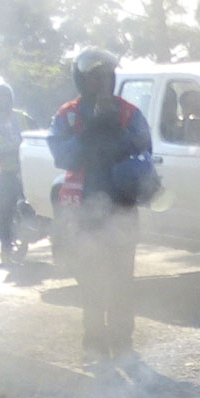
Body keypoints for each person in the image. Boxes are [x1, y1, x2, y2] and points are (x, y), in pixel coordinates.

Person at [48, 49, 152, 366]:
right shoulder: (67, 115)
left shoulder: (129, 113)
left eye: (107, 76)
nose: (102, 82)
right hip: (83, 212)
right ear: (81, 80)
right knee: (91, 282)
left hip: (120, 210)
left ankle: (122, 346)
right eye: (95, 77)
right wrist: (90, 132)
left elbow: (144, 149)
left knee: (122, 281)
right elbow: (62, 156)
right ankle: (94, 347)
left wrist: (116, 133)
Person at [0, 79, 36, 264]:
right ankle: (5, 249)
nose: (1, 100)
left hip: (28, 170)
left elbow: (37, 136)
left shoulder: (22, 117)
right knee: (6, 207)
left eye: (4, 96)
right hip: (7, 172)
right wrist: (11, 148)